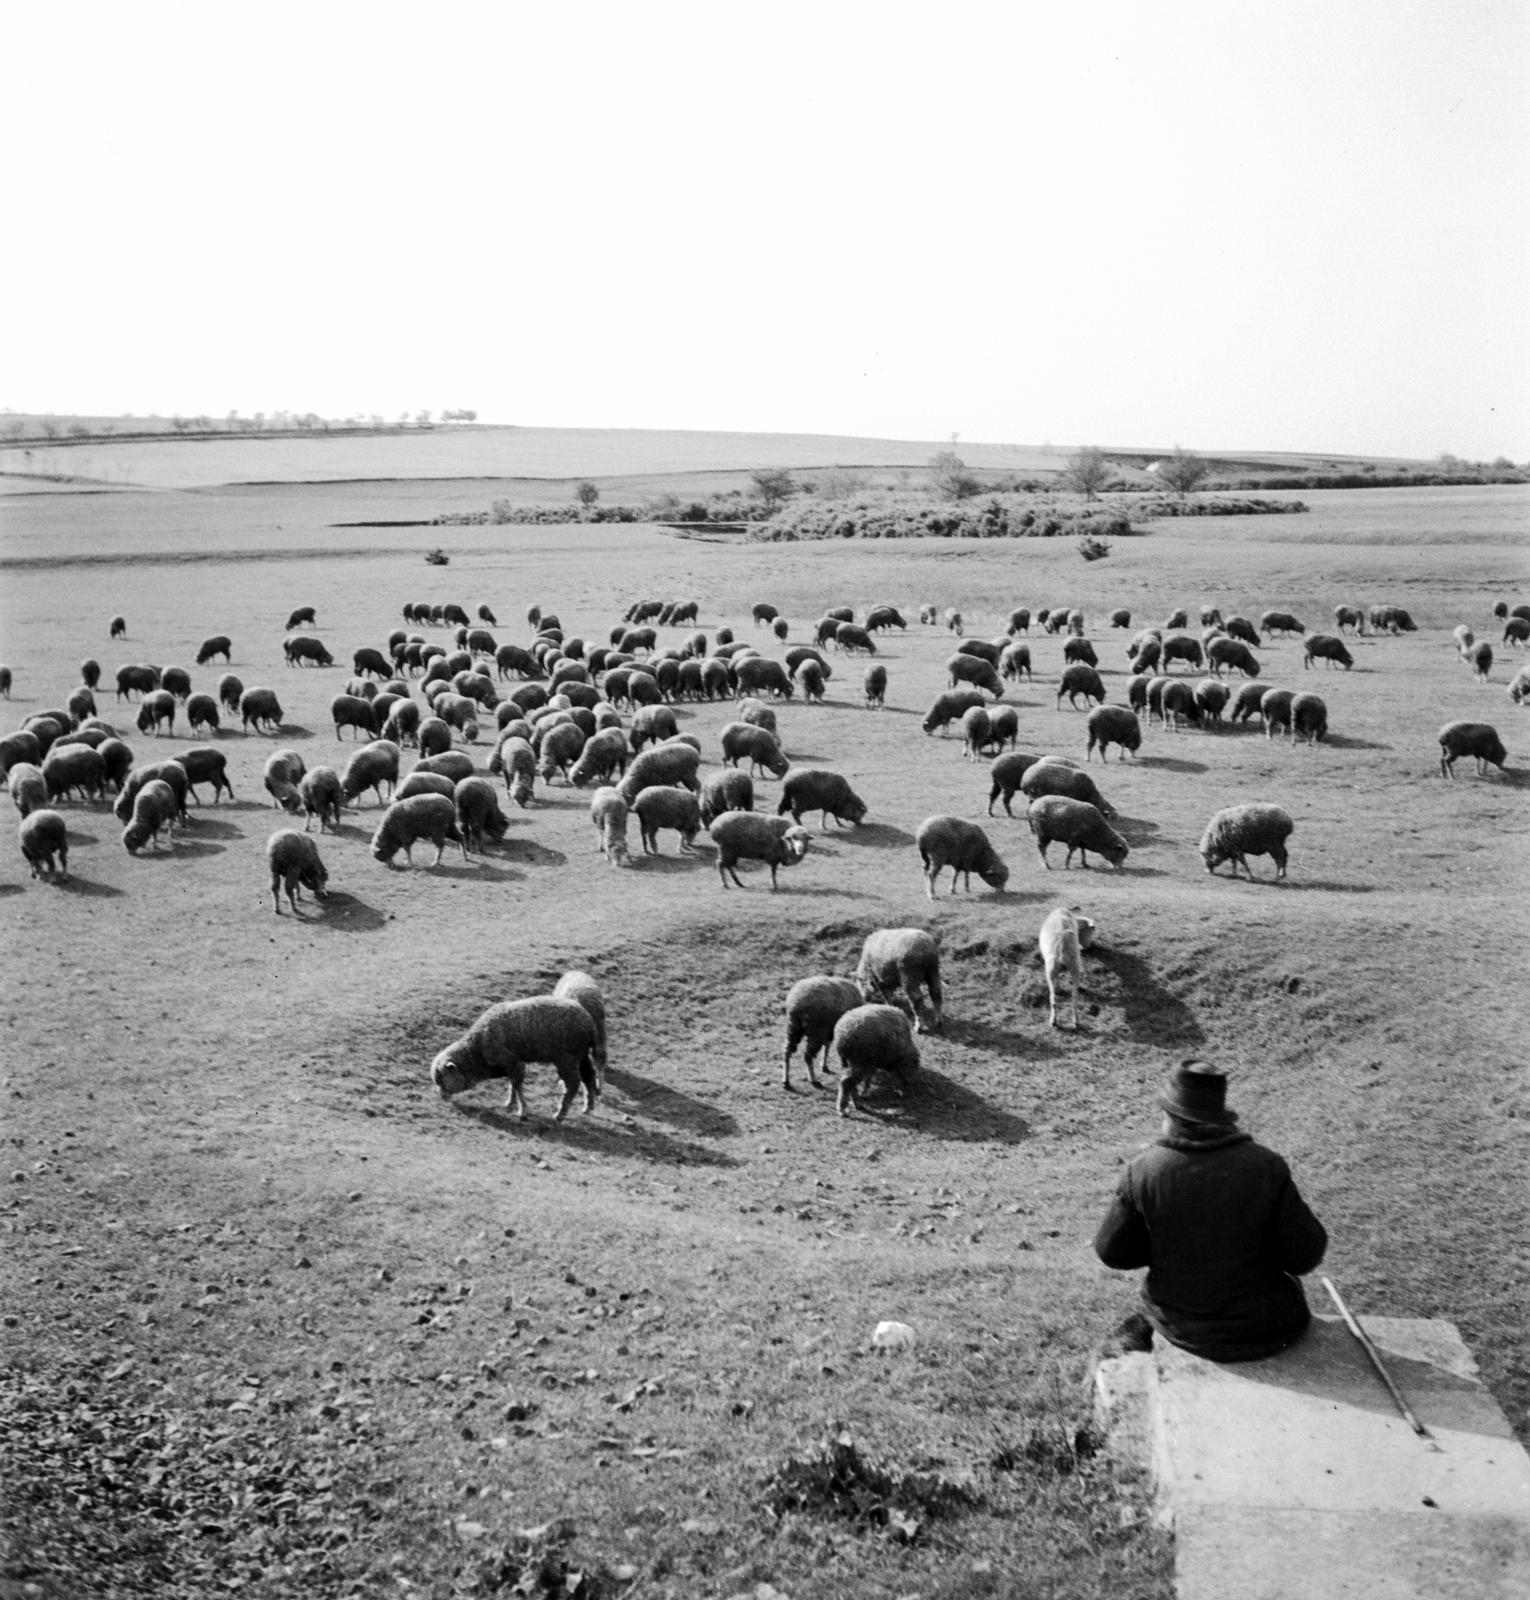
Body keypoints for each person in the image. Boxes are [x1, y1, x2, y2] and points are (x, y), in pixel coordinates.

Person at [1093, 1059, 1328, 1363]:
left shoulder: (1143, 1170)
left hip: (1182, 1328)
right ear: (1221, 1117)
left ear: (1170, 1116)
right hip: (1271, 1329)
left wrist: (1162, 1246)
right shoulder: (1266, 1165)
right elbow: (1305, 1255)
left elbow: (1111, 1252)